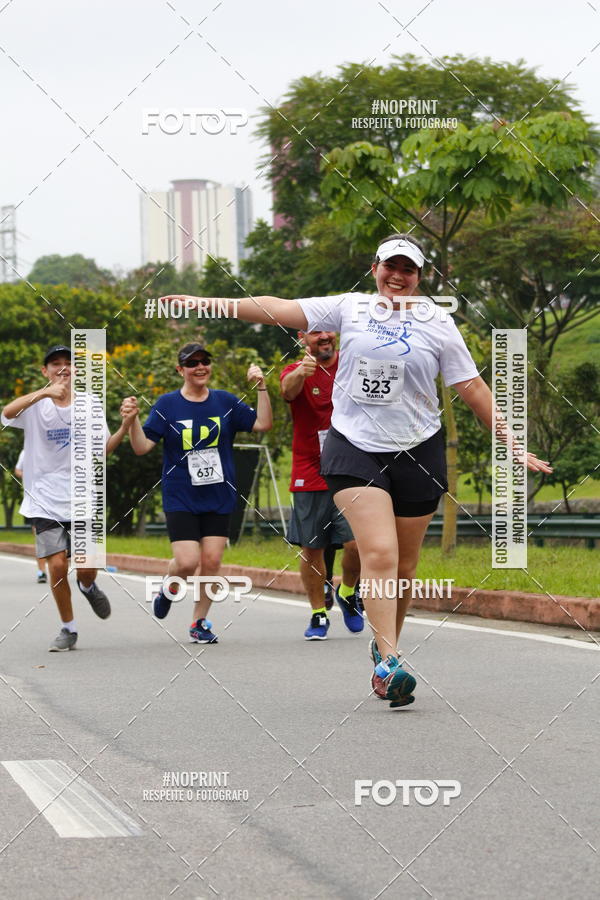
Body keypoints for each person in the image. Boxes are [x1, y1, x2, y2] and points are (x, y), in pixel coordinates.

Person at [161, 233, 552, 708]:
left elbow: (471, 387)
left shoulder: (438, 323)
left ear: (419, 277)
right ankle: (390, 662)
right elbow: (276, 308)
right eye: (391, 266)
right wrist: (209, 304)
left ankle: (383, 644)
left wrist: (512, 442)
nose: (398, 276)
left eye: (408, 270)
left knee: (405, 568)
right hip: (354, 449)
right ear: (375, 269)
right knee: (380, 554)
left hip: (417, 448)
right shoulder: (350, 308)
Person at [121, 342, 272, 644]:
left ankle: (199, 621)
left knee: (212, 561)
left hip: (219, 493)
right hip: (181, 494)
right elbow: (141, 447)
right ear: (181, 370)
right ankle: (169, 586)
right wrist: (132, 420)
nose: (200, 367)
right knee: (188, 562)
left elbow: (263, 423)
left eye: (204, 361)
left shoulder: (225, 401)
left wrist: (262, 388)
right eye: (192, 363)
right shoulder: (167, 405)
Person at [1, 345, 132, 651]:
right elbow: (7, 413)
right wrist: (43, 394)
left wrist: (125, 427)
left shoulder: (90, 403)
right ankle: (68, 627)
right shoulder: (35, 404)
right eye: (55, 364)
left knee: (86, 567)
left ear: (77, 370)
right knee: (57, 565)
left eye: (68, 364)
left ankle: (88, 585)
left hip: (83, 497)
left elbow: (102, 449)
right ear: (44, 371)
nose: (63, 368)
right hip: (44, 499)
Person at [280, 329, 361, 640]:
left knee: (357, 544)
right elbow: (287, 391)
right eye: (316, 333)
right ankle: (317, 613)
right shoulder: (294, 370)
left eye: (328, 331)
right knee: (312, 548)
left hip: (351, 467)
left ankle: (349, 592)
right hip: (310, 471)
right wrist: (302, 370)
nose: (324, 337)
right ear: (303, 337)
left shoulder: (352, 363)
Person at [14, 448, 48, 583]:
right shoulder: (25, 451)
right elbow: (17, 470)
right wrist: (27, 476)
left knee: (58, 537)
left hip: (55, 501)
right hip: (34, 502)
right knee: (40, 537)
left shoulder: (51, 447)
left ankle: (57, 568)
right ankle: (41, 571)